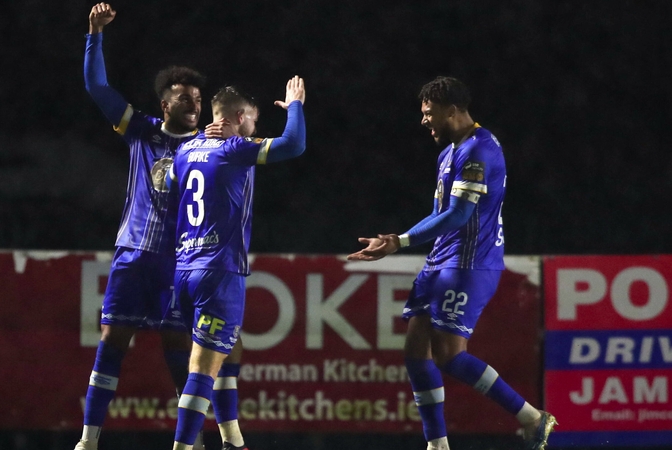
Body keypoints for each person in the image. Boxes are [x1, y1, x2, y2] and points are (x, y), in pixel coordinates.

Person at [347, 76, 556, 450]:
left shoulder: (480, 149)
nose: (424, 121)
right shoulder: (448, 152)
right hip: (441, 259)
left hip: (469, 263)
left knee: (449, 356)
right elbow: (439, 213)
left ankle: (532, 417)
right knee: (415, 353)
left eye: (429, 113)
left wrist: (399, 241)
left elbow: (459, 215)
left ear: (453, 110)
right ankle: (437, 445)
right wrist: (400, 240)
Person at [78, 4, 236, 450]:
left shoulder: (211, 145)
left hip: (181, 261)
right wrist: (95, 34)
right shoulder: (140, 130)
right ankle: (89, 440)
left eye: (198, 99)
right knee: (113, 339)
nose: (194, 104)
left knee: (180, 347)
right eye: (185, 98)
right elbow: (96, 85)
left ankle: (200, 439)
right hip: (134, 252)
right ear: (165, 104)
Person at [166, 78, 306, 450]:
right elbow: (295, 144)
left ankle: (233, 441)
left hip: (184, 272)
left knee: (228, 348)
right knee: (202, 369)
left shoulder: (186, 150)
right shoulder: (235, 148)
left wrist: (201, 142)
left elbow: (166, 180)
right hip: (219, 272)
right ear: (240, 117)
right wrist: (295, 105)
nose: (255, 130)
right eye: (254, 122)